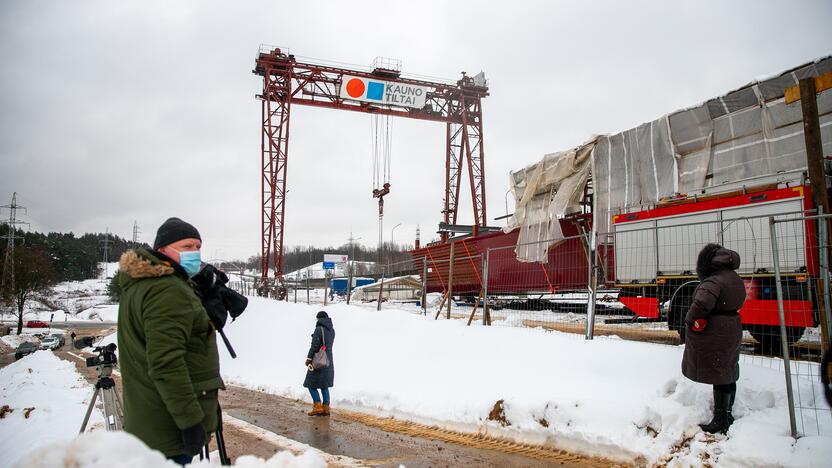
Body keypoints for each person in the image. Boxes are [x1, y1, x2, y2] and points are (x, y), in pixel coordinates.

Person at [117, 217, 224, 465]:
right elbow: (166, 363)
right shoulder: (168, 290)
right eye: (187, 246)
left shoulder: (140, 286)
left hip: (149, 419)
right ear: (163, 249)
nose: (195, 253)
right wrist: (189, 422)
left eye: (198, 247)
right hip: (169, 427)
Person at [682, 243, 746, 434]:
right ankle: (727, 413)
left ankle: (720, 420)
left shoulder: (713, 281)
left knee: (719, 373)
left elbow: (701, 303)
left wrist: (690, 319)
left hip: (716, 331)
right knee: (727, 370)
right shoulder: (734, 277)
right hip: (732, 327)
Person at [304, 311, 335, 416]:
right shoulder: (332, 330)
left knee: (310, 384)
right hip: (328, 361)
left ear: (319, 319)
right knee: (324, 385)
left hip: (318, 361)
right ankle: (326, 408)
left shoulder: (319, 329)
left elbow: (314, 346)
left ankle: (317, 406)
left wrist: (309, 358)